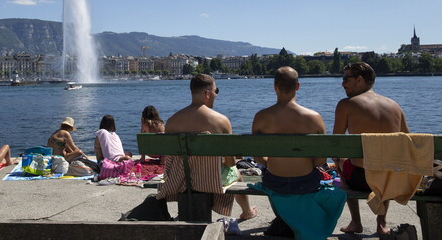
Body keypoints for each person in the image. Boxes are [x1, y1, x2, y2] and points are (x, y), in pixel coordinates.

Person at [158, 74, 257, 221]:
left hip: (180, 179)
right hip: (210, 180)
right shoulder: (221, 121)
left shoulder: (172, 121)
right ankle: (247, 211)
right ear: (207, 93)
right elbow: (230, 163)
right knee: (236, 172)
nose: (216, 95)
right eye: (216, 91)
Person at [252, 66, 331, 236]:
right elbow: (320, 161)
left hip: (274, 181)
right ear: (298, 86)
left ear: (275, 86)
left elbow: (257, 157)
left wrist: (271, 162)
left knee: (269, 175)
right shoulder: (314, 118)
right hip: (305, 183)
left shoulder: (261, 117)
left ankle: (283, 218)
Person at [333, 62, 409, 235]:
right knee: (385, 166)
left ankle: (356, 222)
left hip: (361, 180)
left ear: (359, 80)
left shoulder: (346, 104)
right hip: (388, 181)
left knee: (341, 160)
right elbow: (407, 141)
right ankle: (381, 224)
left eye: (346, 79)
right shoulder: (394, 106)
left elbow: (335, 144)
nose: (342, 83)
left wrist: (338, 160)